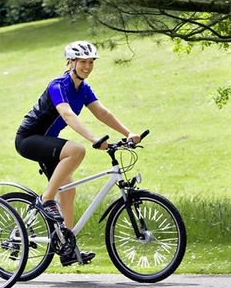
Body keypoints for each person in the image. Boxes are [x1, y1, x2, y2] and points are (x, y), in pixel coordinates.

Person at [15, 41, 141, 266]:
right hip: (29, 139)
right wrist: (93, 139)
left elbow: (102, 112)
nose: (87, 66)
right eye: (83, 62)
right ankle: (46, 200)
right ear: (71, 62)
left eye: (91, 62)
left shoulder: (83, 89)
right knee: (76, 150)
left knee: (69, 191)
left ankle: (67, 248)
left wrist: (128, 132)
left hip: (49, 143)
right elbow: (67, 115)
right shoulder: (58, 85)